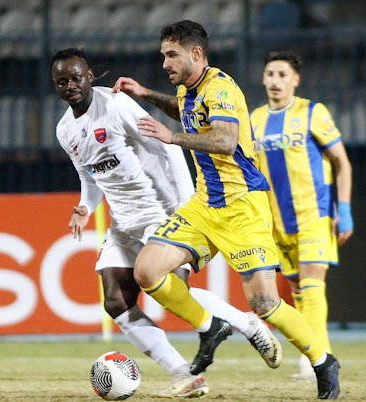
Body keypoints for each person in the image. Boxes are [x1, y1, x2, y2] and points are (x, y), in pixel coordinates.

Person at [113, 20, 340, 399]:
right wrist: (145, 93)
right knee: (147, 271)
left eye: (172, 55)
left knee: (265, 304)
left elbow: (225, 140)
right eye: (163, 55)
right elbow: (184, 109)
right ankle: (211, 326)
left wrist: (173, 138)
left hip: (242, 206)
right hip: (205, 204)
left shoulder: (220, 88)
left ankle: (322, 361)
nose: (165, 63)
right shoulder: (189, 89)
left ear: (196, 53)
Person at [51, 47, 281, 399]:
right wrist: (84, 207)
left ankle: (247, 325)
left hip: (160, 212)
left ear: (90, 76)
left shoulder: (116, 105)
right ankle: (186, 375)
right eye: (62, 81)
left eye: (76, 78)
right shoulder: (65, 129)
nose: (70, 86)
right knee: (115, 301)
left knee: (170, 289)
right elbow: (90, 177)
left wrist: (187, 207)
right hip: (123, 222)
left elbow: (171, 148)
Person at [249, 50, 353, 381]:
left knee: (311, 282)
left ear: (295, 80)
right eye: (270, 74)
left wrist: (344, 209)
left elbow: (341, 162)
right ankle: (316, 354)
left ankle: (318, 359)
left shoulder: (312, 112)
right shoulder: (255, 120)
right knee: (296, 288)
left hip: (314, 213)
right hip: (278, 220)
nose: (275, 80)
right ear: (263, 78)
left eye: (282, 74)